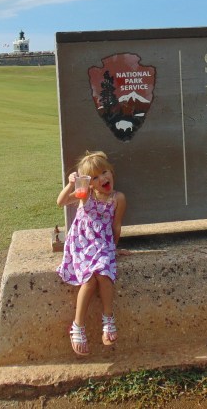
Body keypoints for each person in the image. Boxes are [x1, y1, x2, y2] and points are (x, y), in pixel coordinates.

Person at [56, 151, 127, 357]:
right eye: (95, 177)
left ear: (111, 172)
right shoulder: (85, 194)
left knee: (104, 274)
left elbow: (116, 226)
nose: (102, 179)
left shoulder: (118, 198)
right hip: (81, 243)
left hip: (103, 244)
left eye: (104, 172)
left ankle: (108, 319)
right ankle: (77, 326)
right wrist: (71, 184)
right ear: (89, 183)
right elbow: (61, 202)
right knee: (89, 279)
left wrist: (113, 250)